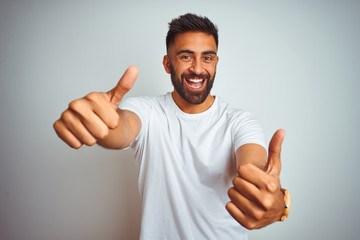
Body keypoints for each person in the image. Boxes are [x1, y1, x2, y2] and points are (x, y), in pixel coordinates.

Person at [53, 13, 290, 239]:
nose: (198, 68)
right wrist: (101, 123)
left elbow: (254, 168)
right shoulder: (147, 111)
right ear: (167, 64)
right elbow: (122, 128)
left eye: (207, 58)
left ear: (216, 63)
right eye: (186, 56)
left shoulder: (239, 121)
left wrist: (277, 199)